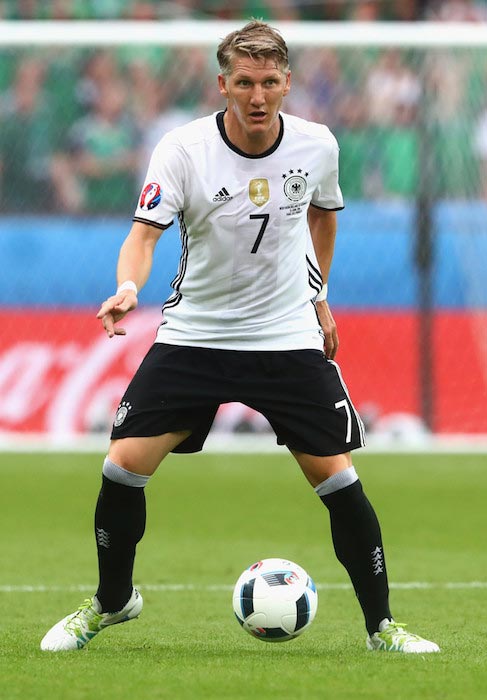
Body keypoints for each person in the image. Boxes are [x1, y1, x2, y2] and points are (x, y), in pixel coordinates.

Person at [40, 20, 439, 654]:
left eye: (271, 82)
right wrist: (128, 287)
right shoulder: (182, 148)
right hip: (195, 333)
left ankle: (381, 628)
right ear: (222, 84)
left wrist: (320, 297)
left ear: (288, 84)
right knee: (121, 467)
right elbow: (144, 235)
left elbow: (324, 217)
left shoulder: (317, 145)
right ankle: (112, 602)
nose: (258, 96)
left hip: (283, 336)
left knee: (338, 479)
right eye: (245, 82)